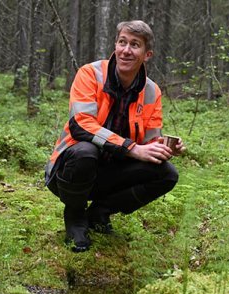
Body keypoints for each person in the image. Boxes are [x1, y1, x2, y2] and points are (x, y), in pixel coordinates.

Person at [45, 20, 185, 252]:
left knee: (167, 173)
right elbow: (81, 125)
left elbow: (150, 142)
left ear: (147, 54)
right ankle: (76, 216)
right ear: (115, 45)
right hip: (68, 173)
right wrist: (131, 148)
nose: (126, 50)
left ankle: (100, 212)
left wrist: (165, 148)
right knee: (85, 152)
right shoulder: (90, 74)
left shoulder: (152, 91)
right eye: (122, 42)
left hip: (111, 173)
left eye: (134, 45)